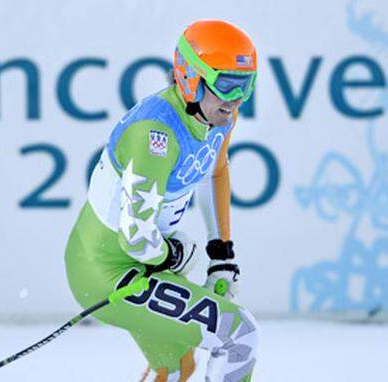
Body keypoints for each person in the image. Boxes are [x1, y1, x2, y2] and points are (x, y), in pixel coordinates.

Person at [65, 19, 259, 382]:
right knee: (238, 335)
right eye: (227, 84)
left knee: (175, 368)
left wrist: (221, 255)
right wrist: (172, 254)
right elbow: (136, 238)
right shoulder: (156, 135)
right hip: (108, 270)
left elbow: (213, 172)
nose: (236, 99)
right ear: (189, 77)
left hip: (146, 263)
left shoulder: (218, 115)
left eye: (246, 86)